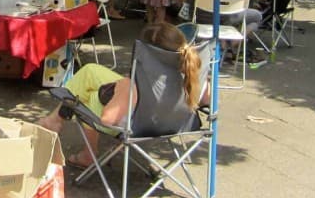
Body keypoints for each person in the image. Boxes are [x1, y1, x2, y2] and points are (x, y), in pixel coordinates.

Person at [38, 21, 205, 168]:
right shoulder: (194, 77)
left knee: (91, 97)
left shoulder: (131, 86)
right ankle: (54, 120)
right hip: (174, 122)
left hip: (136, 124)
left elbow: (108, 120)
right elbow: (208, 103)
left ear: (147, 53)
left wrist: (119, 91)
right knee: (90, 71)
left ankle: (88, 154)